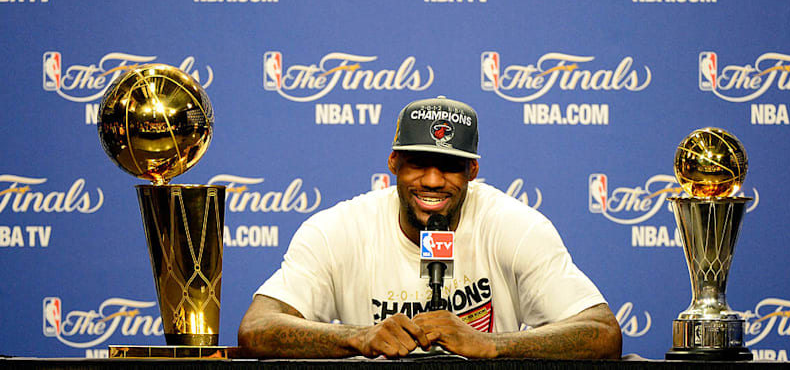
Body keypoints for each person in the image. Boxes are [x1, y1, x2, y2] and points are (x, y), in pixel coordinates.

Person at [238, 97, 622, 359]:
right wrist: (358, 336)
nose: (434, 181)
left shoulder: (515, 226)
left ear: (473, 170)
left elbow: (602, 332)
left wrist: (491, 345)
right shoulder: (338, 230)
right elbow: (257, 327)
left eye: (450, 166)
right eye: (419, 162)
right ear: (393, 163)